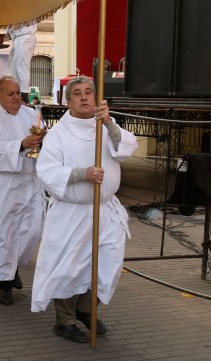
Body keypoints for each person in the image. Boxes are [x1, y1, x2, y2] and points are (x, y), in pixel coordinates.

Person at [32, 76, 138, 343]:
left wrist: (110, 124)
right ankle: (65, 320)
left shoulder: (105, 126)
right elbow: (46, 171)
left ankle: (87, 310)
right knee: (69, 266)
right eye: (77, 93)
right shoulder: (58, 134)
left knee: (105, 263)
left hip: (104, 211)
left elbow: (125, 148)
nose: (84, 97)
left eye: (88, 92)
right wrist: (82, 174)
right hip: (72, 213)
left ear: (96, 98)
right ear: (68, 101)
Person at [0, 77, 46, 305]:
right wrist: (19, 145)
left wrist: (42, 141)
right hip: (4, 183)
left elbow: (46, 137)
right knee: (5, 233)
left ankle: (12, 266)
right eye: (10, 94)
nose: (16, 97)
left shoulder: (31, 115)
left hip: (29, 180)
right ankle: (4, 282)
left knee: (32, 229)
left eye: (18, 93)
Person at [7, 22, 37, 103]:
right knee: (13, 68)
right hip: (16, 39)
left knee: (22, 66)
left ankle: (24, 96)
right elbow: (10, 33)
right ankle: (15, 92)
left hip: (26, 37)